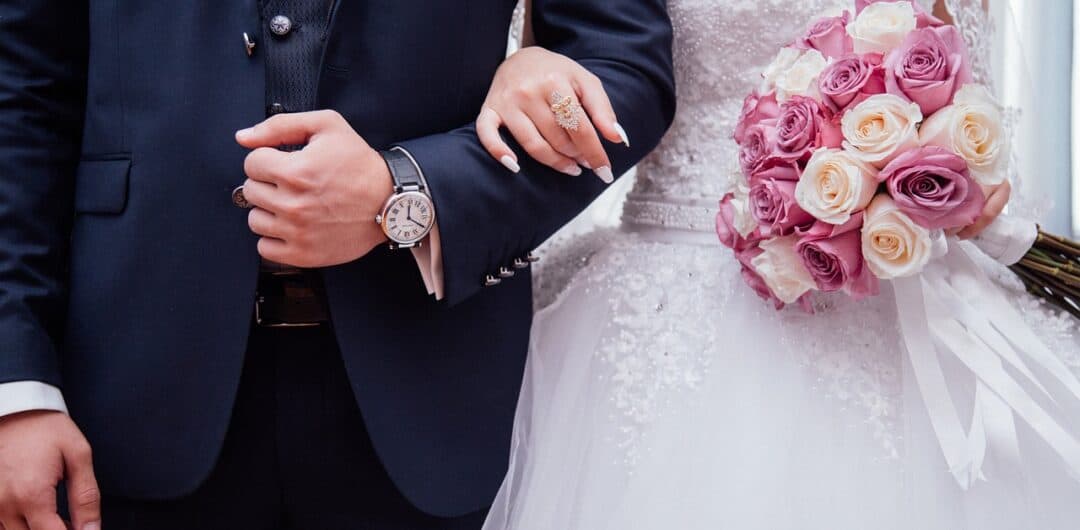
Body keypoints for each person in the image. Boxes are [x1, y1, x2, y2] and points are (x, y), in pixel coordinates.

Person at [0, 1, 675, 529]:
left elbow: (624, 71)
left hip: (429, 388)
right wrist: (15, 382)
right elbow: (23, 92)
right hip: (128, 384)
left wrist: (410, 192)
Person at [476, 0, 1080, 528]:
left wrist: (966, 179)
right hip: (674, 298)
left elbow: (955, 60)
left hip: (899, 276)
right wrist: (518, 68)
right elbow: (569, 66)